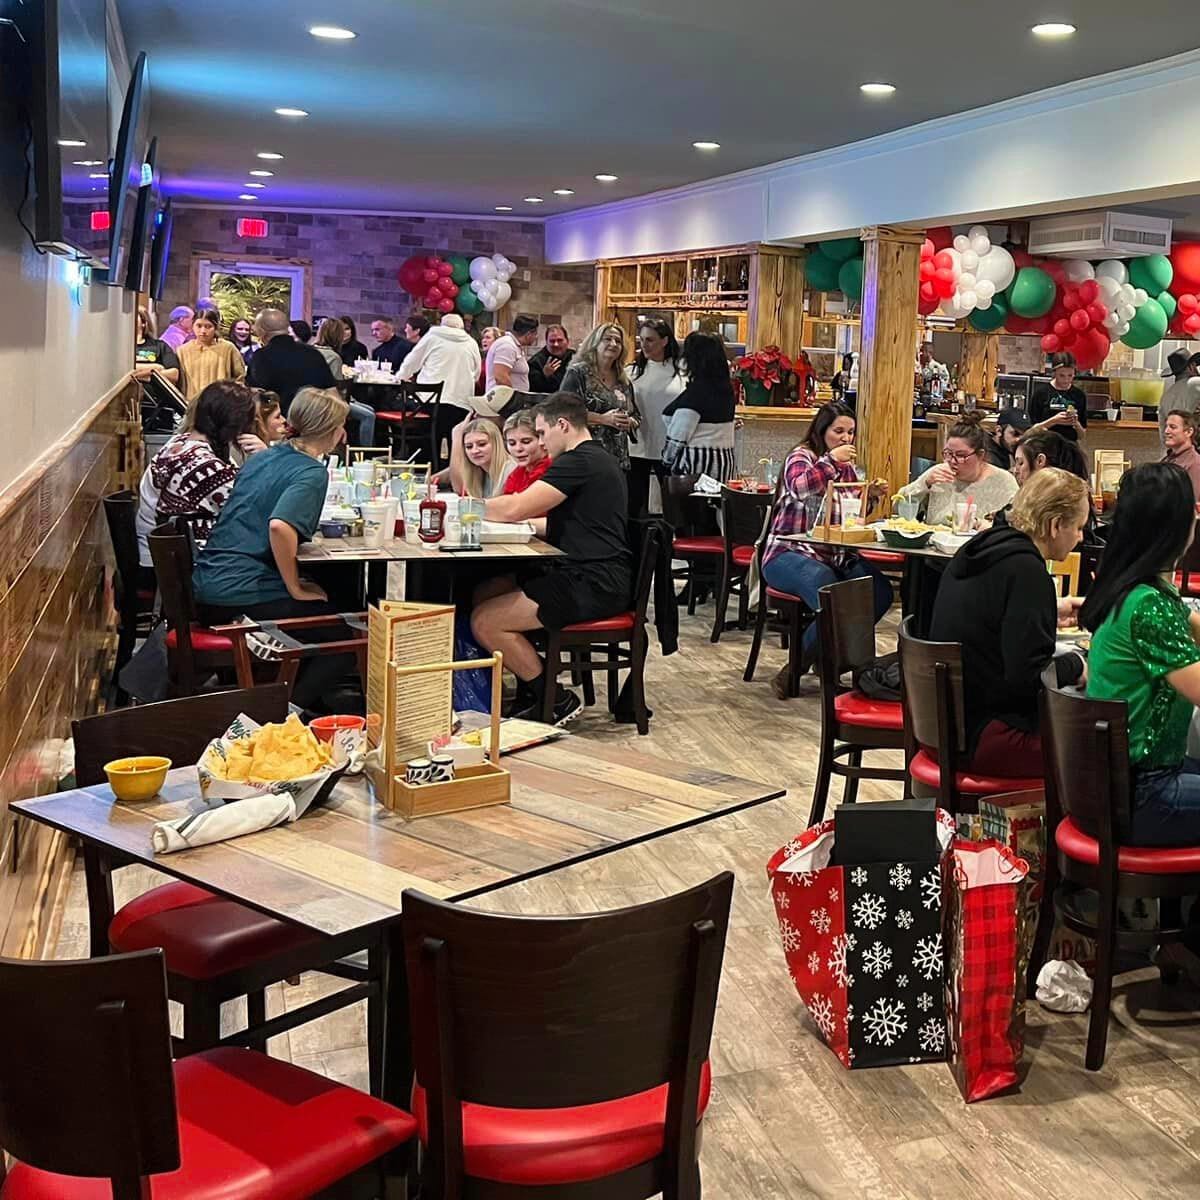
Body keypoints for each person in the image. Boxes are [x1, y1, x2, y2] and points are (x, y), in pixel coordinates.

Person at [471, 393, 632, 724]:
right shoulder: (596, 458)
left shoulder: (578, 461)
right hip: (594, 571)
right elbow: (569, 521)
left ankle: (554, 698)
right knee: (486, 591)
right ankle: (531, 692)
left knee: (484, 621)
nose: (541, 443)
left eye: (542, 434)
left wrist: (463, 509)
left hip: (594, 581)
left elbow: (516, 506)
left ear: (563, 425)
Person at [193, 388, 355, 713]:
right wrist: (295, 586)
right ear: (332, 431)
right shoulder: (311, 471)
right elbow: (279, 527)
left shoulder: (266, 457)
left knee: (329, 605)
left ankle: (295, 698)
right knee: (345, 640)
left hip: (207, 581)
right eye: (341, 425)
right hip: (239, 592)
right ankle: (279, 712)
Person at [930, 468, 1089, 776]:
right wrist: (1078, 665)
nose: (1081, 537)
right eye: (1079, 527)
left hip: (944, 726)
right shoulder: (1027, 572)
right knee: (1105, 751)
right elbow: (1029, 682)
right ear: (1056, 525)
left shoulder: (982, 549)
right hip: (988, 735)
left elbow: (987, 618)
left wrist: (1050, 608)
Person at [1083, 461, 1200, 846]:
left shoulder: (1132, 589)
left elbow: (1193, 624)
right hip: (1144, 794)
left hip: (1119, 784)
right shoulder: (1150, 605)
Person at [761, 402, 892, 695]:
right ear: (822, 431)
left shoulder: (849, 468)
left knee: (879, 590)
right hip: (788, 552)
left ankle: (824, 657)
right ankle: (796, 669)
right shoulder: (802, 456)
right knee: (829, 590)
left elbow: (850, 514)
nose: (846, 438)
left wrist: (869, 496)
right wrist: (831, 461)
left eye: (851, 432)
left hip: (835, 552)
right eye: (839, 431)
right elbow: (800, 488)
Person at [139, 380, 263, 549]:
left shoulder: (180, 442)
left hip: (164, 552)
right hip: (182, 562)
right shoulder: (205, 467)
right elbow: (255, 508)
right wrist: (266, 459)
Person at [897, 414, 1018, 525]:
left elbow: (1018, 524)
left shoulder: (1004, 482)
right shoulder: (938, 474)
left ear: (980, 455)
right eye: (948, 453)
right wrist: (924, 484)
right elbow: (897, 508)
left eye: (961, 455)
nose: (952, 461)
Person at [397, 312, 481, 463]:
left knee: (425, 435)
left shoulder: (432, 337)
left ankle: (426, 466)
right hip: (461, 403)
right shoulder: (471, 342)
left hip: (430, 403)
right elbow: (476, 373)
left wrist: (399, 378)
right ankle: (453, 469)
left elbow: (411, 362)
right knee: (456, 439)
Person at [627, 317, 684, 517]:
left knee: (673, 506)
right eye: (641, 340)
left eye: (650, 340)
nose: (644, 345)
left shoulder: (681, 373)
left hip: (669, 447)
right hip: (637, 447)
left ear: (665, 341)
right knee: (634, 505)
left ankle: (670, 546)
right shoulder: (631, 372)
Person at [661, 330, 736, 482]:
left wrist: (666, 461)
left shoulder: (695, 395)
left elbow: (679, 436)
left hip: (696, 466)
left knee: (692, 506)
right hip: (724, 462)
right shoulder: (726, 391)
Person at [561, 323, 637, 470]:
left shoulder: (624, 380)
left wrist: (630, 422)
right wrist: (603, 419)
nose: (613, 344)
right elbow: (564, 411)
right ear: (595, 343)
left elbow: (636, 415)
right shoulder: (578, 373)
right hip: (586, 456)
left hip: (617, 460)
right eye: (607, 339)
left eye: (618, 341)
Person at [247, 308, 336, 415]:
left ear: (261, 331)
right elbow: (332, 394)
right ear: (287, 328)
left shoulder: (261, 356)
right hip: (314, 421)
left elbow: (255, 394)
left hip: (280, 423)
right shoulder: (313, 353)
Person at [313, 317, 376, 449]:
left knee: (369, 409)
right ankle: (364, 452)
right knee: (369, 416)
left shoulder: (310, 351)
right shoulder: (334, 357)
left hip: (311, 397)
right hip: (328, 402)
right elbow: (338, 389)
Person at [177, 307, 246, 402]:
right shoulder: (183, 350)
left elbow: (240, 376)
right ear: (193, 326)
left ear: (216, 327)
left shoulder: (227, 348)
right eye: (199, 326)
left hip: (220, 405)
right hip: (191, 404)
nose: (203, 331)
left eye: (208, 326)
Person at [1028, 351, 1087, 443]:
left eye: (1070, 375)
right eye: (1062, 375)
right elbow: (1031, 431)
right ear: (1054, 373)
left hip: (1069, 447)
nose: (1066, 380)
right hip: (1045, 444)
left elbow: (1082, 435)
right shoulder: (1041, 393)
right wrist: (1053, 421)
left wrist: (1076, 423)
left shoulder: (1079, 395)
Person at [448, 417, 513, 498]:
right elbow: (459, 490)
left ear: (496, 443)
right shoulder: (479, 473)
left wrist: (457, 438)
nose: (475, 451)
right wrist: (456, 438)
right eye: (469, 446)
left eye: (482, 444)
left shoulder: (511, 470)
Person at [501, 409, 551, 494]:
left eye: (526, 441)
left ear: (542, 439)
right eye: (512, 443)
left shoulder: (551, 470)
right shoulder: (518, 473)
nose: (518, 448)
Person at [485, 315, 538, 392]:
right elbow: (501, 377)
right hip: (503, 401)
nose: (536, 337)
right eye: (535, 334)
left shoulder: (515, 346)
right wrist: (514, 398)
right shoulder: (507, 345)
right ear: (529, 334)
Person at [1159, 349, 1200, 441]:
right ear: (1191, 367)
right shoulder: (1195, 383)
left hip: (1174, 450)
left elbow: (1163, 433)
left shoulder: (1166, 396)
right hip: (1193, 448)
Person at [134, 307, 180, 386]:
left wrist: (148, 374)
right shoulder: (120, 348)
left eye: (135, 316)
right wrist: (156, 367)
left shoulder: (160, 346)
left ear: (144, 322)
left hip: (154, 396)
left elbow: (174, 374)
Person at [1163, 409, 1200, 503]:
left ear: (1188, 432)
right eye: (1166, 426)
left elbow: (1191, 505)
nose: (1166, 431)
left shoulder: (1194, 464)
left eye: (1173, 427)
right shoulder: (1168, 459)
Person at [528, 325, 574, 393]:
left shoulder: (576, 357)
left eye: (560, 340)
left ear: (567, 341)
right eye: (552, 341)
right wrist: (545, 377)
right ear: (546, 342)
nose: (556, 344)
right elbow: (534, 390)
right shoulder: (535, 362)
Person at [477, 325, 503, 394]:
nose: (484, 340)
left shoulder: (499, 360)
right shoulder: (482, 360)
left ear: (496, 341)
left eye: (488, 338)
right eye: (483, 338)